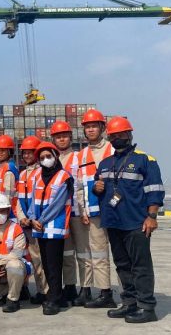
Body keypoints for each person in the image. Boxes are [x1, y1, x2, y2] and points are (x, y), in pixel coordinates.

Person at [95, 117, 164, 323]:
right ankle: (129, 303)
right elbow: (100, 188)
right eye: (113, 136)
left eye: (121, 134)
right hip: (113, 221)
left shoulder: (145, 160)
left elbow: (155, 191)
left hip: (136, 222)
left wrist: (152, 217)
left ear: (130, 134)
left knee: (140, 266)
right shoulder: (106, 163)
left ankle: (147, 307)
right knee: (122, 265)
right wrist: (95, 188)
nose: (117, 138)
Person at [72, 109, 117, 308]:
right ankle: (86, 289)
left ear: (102, 127)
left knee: (99, 253)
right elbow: (79, 186)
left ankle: (105, 292)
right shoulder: (82, 155)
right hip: (87, 213)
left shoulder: (112, 150)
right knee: (83, 254)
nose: (90, 130)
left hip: (106, 210)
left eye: (93, 126)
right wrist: (82, 210)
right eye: (87, 127)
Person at [27, 142, 73, 316]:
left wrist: (41, 219)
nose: (45, 160)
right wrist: (32, 219)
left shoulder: (64, 177)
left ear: (55, 156)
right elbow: (33, 200)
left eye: (48, 156)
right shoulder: (37, 177)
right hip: (39, 227)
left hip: (54, 227)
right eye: (42, 158)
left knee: (54, 264)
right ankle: (56, 295)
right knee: (46, 263)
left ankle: (53, 299)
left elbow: (58, 204)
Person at [50, 120, 81, 304]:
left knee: (83, 253)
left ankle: (82, 288)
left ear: (70, 137)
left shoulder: (79, 157)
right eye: (58, 137)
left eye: (64, 136)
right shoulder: (49, 160)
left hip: (77, 210)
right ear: (53, 139)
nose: (61, 139)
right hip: (59, 214)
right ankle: (68, 286)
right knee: (66, 253)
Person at [15, 135, 48, 305]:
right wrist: (22, 218)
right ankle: (42, 290)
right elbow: (19, 200)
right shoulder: (22, 174)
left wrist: (34, 218)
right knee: (35, 260)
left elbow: (43, 199)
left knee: (45, 259)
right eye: (24, 153)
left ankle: (49, 291)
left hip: (40, 223)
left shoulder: (43, 172)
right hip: (27, 224)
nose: (27, 156)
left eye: (30, 153)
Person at [0, 135, 19, 219]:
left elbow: (9, 195)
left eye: (2, 150)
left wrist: (4, 214)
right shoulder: (3, 168)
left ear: (9, 152)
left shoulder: (8, 169)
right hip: (3, 213)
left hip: (8, 214)